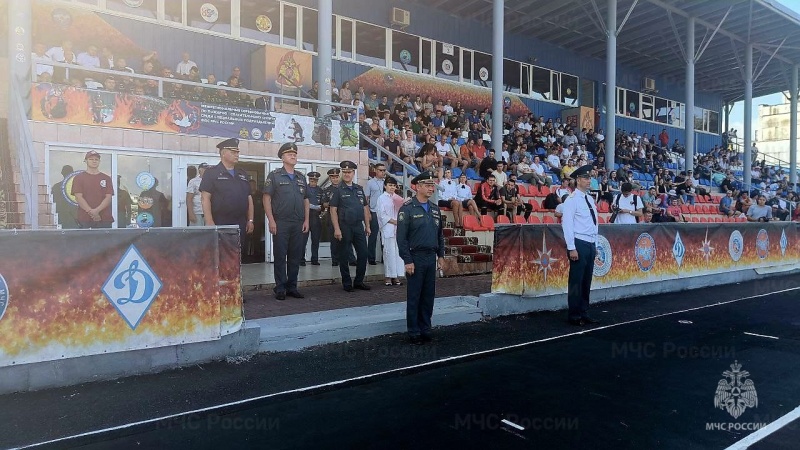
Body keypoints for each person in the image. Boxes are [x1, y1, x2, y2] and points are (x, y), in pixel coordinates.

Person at [397, 171, 445, 345]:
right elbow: (401, 238)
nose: (431, 188)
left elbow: (440, 235)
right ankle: (414, 331)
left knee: (428, 295)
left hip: (430, 257)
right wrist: (407, 260)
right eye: (427, 185)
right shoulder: (408, 208)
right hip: (415, 257)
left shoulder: (434, 209)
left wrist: (441, 255)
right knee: (415, 295)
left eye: (432, 185)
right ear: (417, 187)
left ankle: (426, 327)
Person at [262, 143, 310, 299]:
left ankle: (292, 286)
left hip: (298, 222)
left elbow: (306, 200)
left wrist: (306, 220)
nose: (293, 155)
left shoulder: (301, 177)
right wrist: (271, 220)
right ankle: (280, 287)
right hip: (281, 222)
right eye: (289, 153)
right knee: (281, 255)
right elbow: (266, 198)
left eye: (295, 153)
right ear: (282, 157)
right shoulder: (274, 175)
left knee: (295, 256)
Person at [200, 138, 255, 256]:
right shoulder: (211, 173)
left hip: (240, 222)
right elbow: (205, 198)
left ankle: (235, 275)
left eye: (237, 152)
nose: (237, 155)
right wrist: (209, 221)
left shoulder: (242, 174)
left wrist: (250, 220)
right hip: (221, 221)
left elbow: (249, 198)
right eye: (233, 152)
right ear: (223, 153)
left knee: (238, 256)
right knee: (221, 256)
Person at [561, 164, 599, 327]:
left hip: (590, 242)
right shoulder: (571, 200)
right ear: (577, 180)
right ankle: (574, 314)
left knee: (586, 280)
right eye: (585, 178)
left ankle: (584, 311)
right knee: (576, 280)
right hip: (579, 242)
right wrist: (571, 247)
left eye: (589, 177)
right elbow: (567, 224)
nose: (588, 180)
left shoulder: (589, 198)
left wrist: (595, 244)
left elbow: (594, 223)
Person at [330, 161, 371, 292]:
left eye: (349, 172)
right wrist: (336, 228)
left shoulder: (359, 189)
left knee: (363, 254)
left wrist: (368, 225)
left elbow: (365, 208)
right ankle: (347, 283)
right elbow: (333, 210)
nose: (347, 174)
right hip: (344, 226)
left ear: (354, 173)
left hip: (358, 226)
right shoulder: (338, 190)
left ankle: (359, 281)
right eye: (345, 172)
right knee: (344, 256)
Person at [71, 151, 114, 228]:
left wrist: (97, 211)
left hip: (104, 218)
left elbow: (108, 197)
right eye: (91, 159)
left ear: (99, 162)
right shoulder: (79, 178)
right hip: (84, 219)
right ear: (85, 161)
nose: (94, 161)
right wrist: (92, 212)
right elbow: (78, 197)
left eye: (96, 159)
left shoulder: (106, 178)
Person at [377, 176, 405, 286]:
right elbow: (381, 214)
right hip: (388, 227)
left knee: (398, 252)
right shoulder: (381, 198)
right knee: (388, 252)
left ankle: (396, 276)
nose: (392, 187)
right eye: (390, 185)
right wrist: (393, 221)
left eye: (394, 185)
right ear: (385, 186)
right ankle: (388, 276)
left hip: (398, 229)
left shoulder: (398, 197)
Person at [365, 163, 387, 265]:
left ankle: (384, 257)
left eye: (384, 170)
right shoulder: (370, 183)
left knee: (385, 236)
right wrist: (368, 212)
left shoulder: (386, 183)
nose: (382, 172)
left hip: (385, 213)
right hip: (374, 211)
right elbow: (366, 199)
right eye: (380, 170)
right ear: (375, 170)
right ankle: (371, 258)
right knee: (373, 236)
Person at [304, 172, 323, 265]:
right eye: (311, 180)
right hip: (305, 217)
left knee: (315, 240)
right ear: (309, 180)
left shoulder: (320, 190)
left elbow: (323, 204)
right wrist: (312, 206)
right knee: (303, 240)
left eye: (315, 180)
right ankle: (301, 259)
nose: (313, 182)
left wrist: (321, 208)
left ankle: (314, 259)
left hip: (316, 217)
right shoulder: (304, 189)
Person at [52, 165, 78, 229]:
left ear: (62, 173)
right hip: (67, 217)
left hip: (66, 218)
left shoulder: (56, 186)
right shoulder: (78, 187)